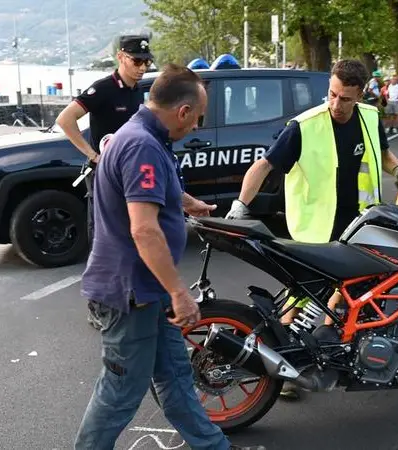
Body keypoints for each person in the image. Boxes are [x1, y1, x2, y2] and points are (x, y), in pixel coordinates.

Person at [74, 63, 264, 450]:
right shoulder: (142, 145)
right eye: (197, 118)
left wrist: (184, 201)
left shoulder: (144, 137)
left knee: (177, 379)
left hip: (148, 291)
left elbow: (142, 189)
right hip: (131, 295)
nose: (196, 127)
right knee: (120, 392)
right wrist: (179, 292)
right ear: (182, 111)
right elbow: (143, 229)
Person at [224, 59, 398, 400]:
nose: (335, 104)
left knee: (346, 291)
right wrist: (240, 206)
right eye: (332, 94)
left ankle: (323, 352)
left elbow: (384, 154)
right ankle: (279, 369)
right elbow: (264, 165)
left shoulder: (369, 118)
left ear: (360, 95)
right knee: (302, 296)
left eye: (345, 99)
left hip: (357, 223)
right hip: (314, 228)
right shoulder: (304, 126)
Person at [56, 34, 154, 331]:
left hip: (130, 175)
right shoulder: (103, 88)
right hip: (104, 176)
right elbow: (65, 119)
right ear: (121, 57)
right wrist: (92, 154)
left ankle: (125, 294)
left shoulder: (137, 91)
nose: (142, 68)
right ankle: (96, 306)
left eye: (147, 62)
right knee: (102, 240)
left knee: (129, 235)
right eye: (137, 61)